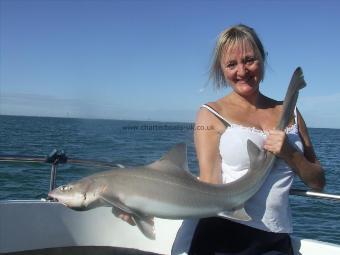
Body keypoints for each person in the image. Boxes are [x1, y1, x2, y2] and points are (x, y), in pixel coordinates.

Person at [172, 24, 325, 255]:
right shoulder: (211, 113)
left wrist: (290, 153)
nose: (242, 71)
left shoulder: (291, 113)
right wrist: (140, 203)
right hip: (222, 234)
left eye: (249, 60)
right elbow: (209, 182)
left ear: (263, 59)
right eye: (231, 64)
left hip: (276, 236)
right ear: (221, 69)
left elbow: (318, 182)